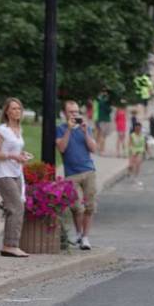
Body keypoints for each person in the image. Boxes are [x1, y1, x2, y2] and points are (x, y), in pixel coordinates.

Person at [0, 97, 31, 258]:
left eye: (19, 108)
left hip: (16, 172)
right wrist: (13, 156)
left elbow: (15, 151)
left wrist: (21, 156)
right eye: (13, 108)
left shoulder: (19, 130)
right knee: (16, 207)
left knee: (14, 208)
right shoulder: (2, 130)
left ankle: (8, 245)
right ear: (7, 111)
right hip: (4, 173)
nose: (17, 111)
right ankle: (11, 245)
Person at [56, 100, 98, 250]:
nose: (74, 115)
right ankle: (79, 233)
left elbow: (93, 148)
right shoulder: (60, 129)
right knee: (75, 206)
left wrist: (85, 131)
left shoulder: (85, 128)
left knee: (90, 206)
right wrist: (69, 129)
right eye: (71, 112)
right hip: (71, 173)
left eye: (76, 112)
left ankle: (85, 237)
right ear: (65, 113)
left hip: (88, 170)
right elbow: (61, 148)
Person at [128, 122, 148, 187]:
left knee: (138, 164)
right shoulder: (132, 135)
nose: (138, 129)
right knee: (131, 166)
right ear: (135, 128)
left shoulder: (143, 135)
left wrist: (147, 151)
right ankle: (130, 172)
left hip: (140, 151)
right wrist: (132, 151)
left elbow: (145, 144)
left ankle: (136, 178)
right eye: (137, 128)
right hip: (133, 151)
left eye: (139, 128)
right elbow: (130, 144)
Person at [95, 90, 112, 155]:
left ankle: (99, 148)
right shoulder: (106, 102)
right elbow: (109, 110)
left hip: (101, 119)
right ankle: (101, 150)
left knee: (101, 134)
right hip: (105, 120)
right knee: (103, 135)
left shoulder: (100, 100)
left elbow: (98, 98)